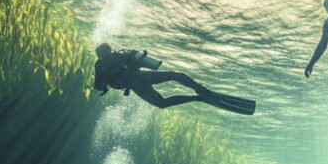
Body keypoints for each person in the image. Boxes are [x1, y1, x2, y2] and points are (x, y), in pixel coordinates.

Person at [93, 42, 256, 115]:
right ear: (108, 49)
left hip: (135, 86)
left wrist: (107, 85)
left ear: (99, 54)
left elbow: (98, 87)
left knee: (162, 103)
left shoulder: (99, 66)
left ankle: (197, 98)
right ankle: (201, 90)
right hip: (141, 76)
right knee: (174, 75)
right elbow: (140, 59)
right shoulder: (119, 54)